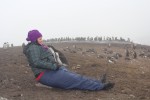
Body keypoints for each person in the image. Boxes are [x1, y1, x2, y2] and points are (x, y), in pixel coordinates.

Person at [23, 29, 114, 91]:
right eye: (40, 38)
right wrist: (54, 66)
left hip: (51, 70)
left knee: (76, 77)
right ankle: (101, 87)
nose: (42, 40)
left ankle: (98, 82)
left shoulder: (38, 46)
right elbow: (36, 62)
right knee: (75, 80)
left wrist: (56, 65)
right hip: (44, 74)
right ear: (34, 39)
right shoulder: (33, 48)